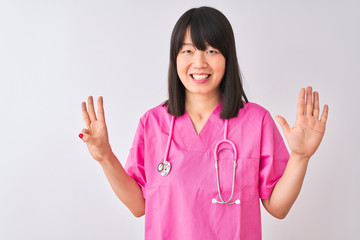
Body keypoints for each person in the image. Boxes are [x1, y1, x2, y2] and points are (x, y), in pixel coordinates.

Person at [79, 6, 328, 240]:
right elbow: (138, 206)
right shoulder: (152, 124)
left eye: (212, 51)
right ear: (174, 58)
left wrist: (300, 157)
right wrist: (105, 156)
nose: (199, 62)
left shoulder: (256, 121)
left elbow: (278, 207)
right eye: (188, 51)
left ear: (228, 57)